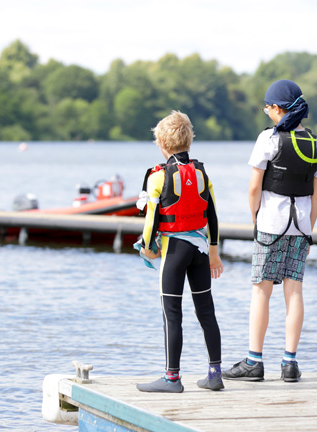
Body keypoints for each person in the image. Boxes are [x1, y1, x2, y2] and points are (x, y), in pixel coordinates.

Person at [223, 79, 317, 383]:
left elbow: (254, 187)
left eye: (267, 107)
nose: (266, 111)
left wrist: (254, 218)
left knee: (261, 289)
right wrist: (309, 226)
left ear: (277, 109)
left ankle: (254, 362)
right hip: (301, 225)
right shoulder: (313, 142)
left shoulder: (267, 139)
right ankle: (289, 364)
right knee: (294, 291)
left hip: (270, 223)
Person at [135, 110, 224, 393]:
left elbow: (151, 219)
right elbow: (212, 213)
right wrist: (214, 250)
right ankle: (214, 373)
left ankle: (172, 378)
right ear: (190, 140)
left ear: (162, 144)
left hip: (173, 250)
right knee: (206, 311)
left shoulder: (158, 177)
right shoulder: (201, 172)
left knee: (172, 314)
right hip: (200, 249)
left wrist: (148, 248)